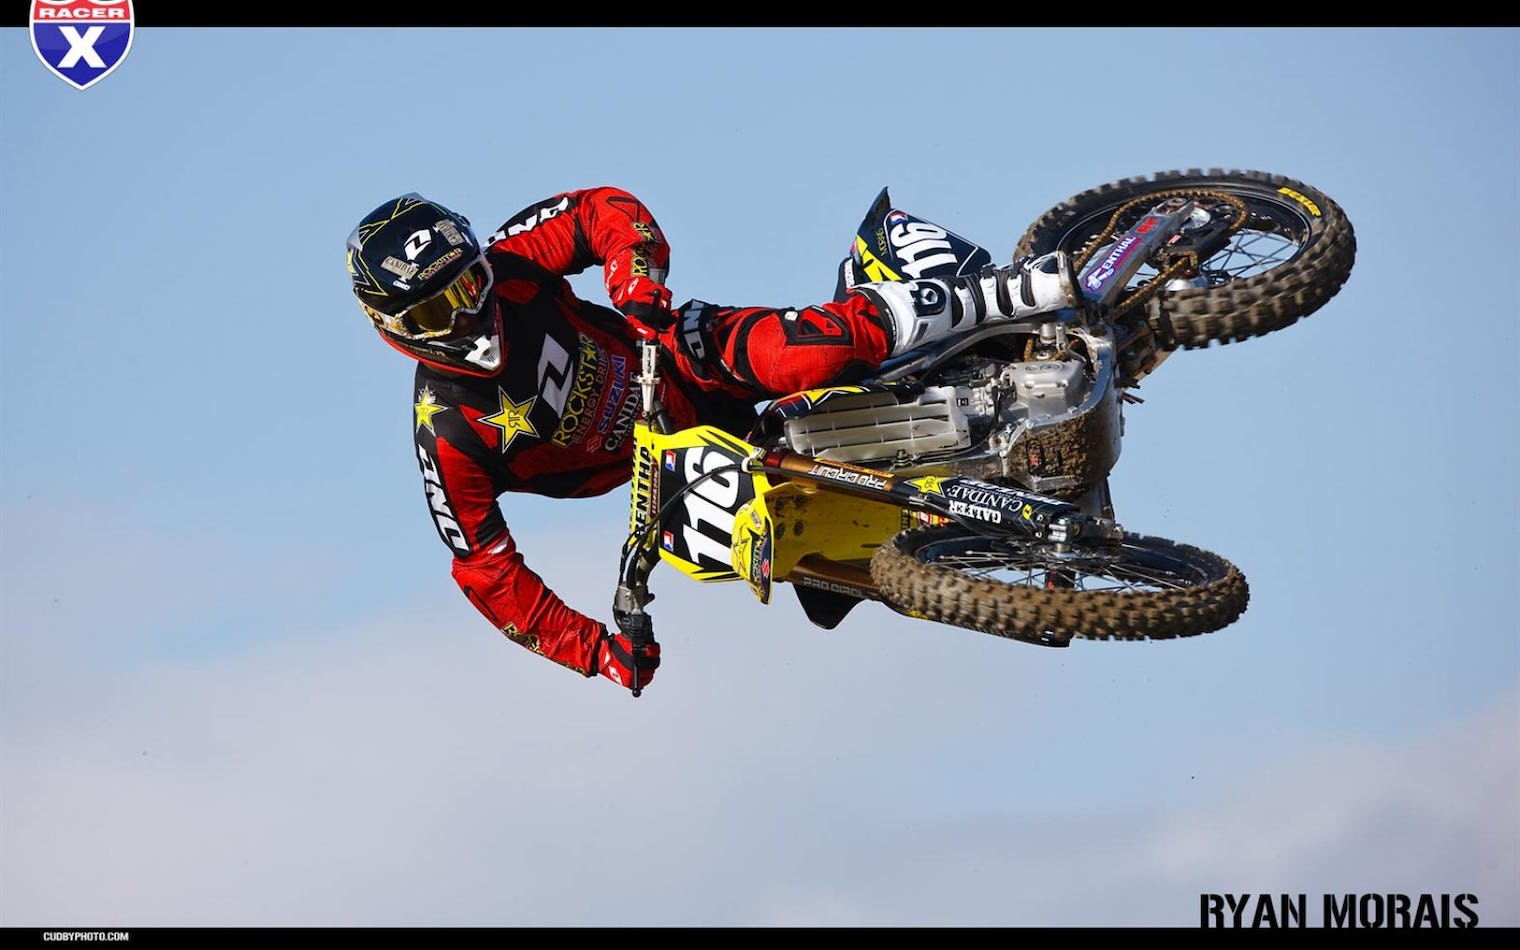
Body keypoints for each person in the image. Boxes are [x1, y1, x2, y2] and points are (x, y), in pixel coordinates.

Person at [345, 188, 1076, 692]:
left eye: (470, 283)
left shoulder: (512, 261)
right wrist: (598, 651)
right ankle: (1010, 536)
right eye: (440, 310)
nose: (470, 312)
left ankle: (1011, 290)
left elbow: (602, 210)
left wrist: (634, 281)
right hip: (674, 460)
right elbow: (488, 574)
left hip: (680, 353)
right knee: (816, 567)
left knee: (810, 356)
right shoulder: (447, 434)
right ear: (394, 327)